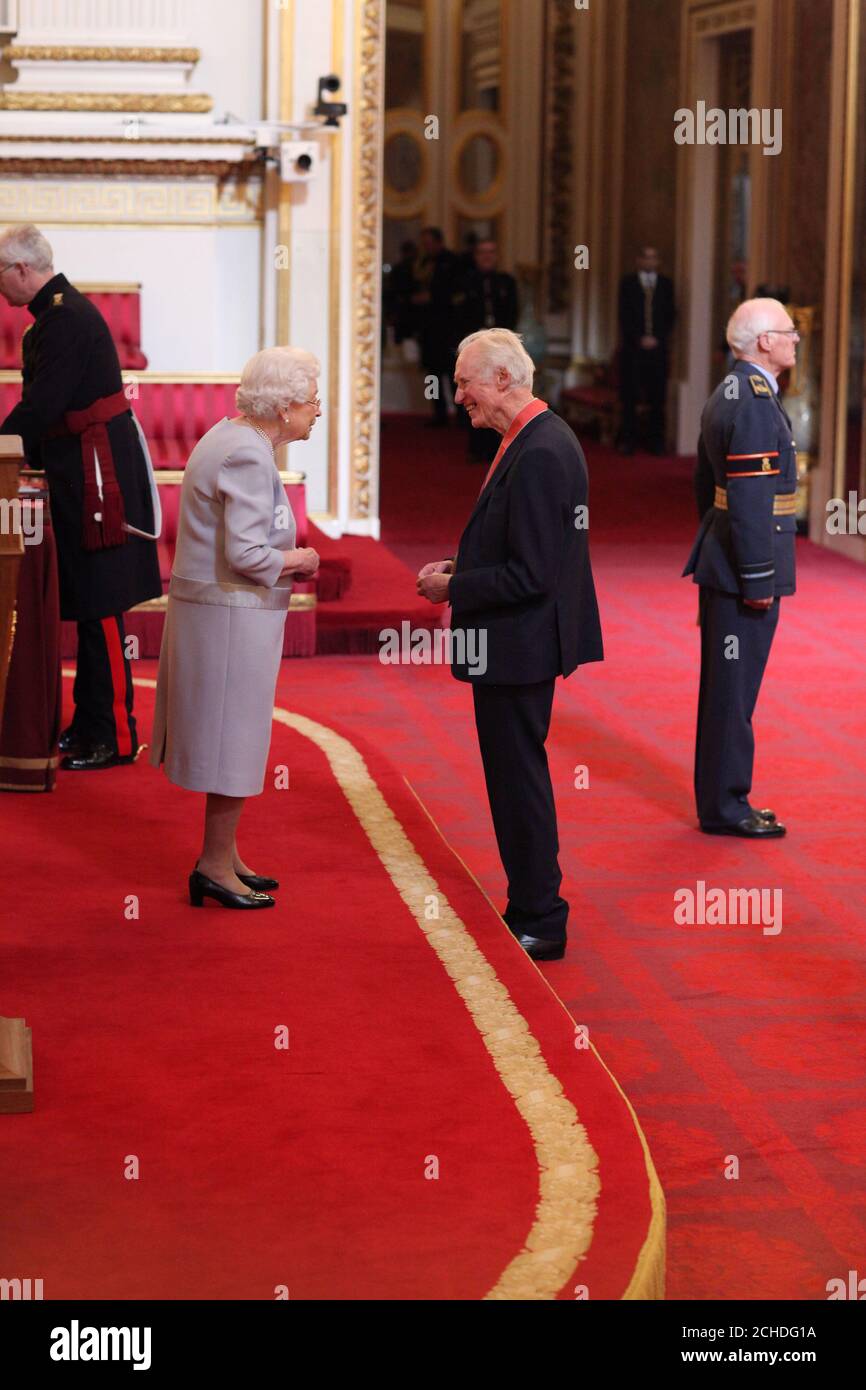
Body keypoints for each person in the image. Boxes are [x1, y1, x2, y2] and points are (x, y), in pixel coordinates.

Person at [417, 329, 603, 960]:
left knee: (518, 779)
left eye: (465, 380)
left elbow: (532, 574)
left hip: (518, 646)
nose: (457, 392)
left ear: (502, 379)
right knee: (512, 776)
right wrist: (459, 564)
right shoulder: (526, 439)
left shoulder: (544, 450)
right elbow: (515, 545)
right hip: (510, 641)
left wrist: (453, 588)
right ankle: (529, 903)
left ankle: (542, 917)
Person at [150, 347, 320, 910]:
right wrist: (301, 559)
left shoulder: (236, 438)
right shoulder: (246, 453)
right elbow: (249, 553)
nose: (317, 409)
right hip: (228, 619)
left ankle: (223, 856)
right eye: (312, 399)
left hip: (223, 614)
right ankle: (215, 866)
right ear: (285, 405)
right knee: (234, 741)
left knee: (234, 740)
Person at [0, 223, 162, 770]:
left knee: (102, 602)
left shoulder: (63, 318)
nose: (0, 289)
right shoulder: (55, 314)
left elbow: (43, 406)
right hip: (82, 467)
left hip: (99, 474)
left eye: (1, 275)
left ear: (23, 269)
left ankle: (113, 734)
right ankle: (89, 722)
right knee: (93, 599)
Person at [683, 298, 799, 838]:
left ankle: (722, 799)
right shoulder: (752, 402)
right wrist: (758, 578)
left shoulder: (732, 389)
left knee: (727, 689)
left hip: (723, 558)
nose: (796, 339)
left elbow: (707, 489)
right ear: (764, 343)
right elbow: (750, 498)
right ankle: (727, 807)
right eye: (789, 331)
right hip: (742, 569)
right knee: (733, 693)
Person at [457, 239, 519, 464]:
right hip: (474, 350)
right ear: (476, 256)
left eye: (491, 252)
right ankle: (476, 447)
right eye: (482, 252)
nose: (487, 257)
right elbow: (459, 316)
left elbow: (513, 314)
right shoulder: (465, 282)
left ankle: (498, 448)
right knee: (475, 396)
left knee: (500, 396)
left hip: (500, 350)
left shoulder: (507, 282)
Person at [617, 244, 676, 455]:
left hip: (658, 351)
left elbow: (670, 315)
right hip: (633, 350)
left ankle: (656, 441)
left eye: (654, 258)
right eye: (646, 257)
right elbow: (623, 316)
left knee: (657, 398)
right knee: (630, 396)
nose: (650, 261)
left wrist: (657, 338)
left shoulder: (666, 285)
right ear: (639, 260)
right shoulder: (628, 284)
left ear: (658, 261)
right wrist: (639, 339)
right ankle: (629, 440)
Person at [413, 227, 460, 427]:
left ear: (438, 242)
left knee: (452, 375)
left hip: (447, 329)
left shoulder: (451, 262)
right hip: (428, 330)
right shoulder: (422, 262)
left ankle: (460, 414)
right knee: (431, 376)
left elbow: (455, 294)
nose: (426, 246)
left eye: (429, 242)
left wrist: (433, 298)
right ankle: (437, 412)